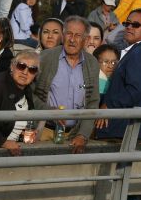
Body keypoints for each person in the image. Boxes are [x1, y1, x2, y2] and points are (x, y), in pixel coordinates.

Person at [32, 16, 99, 153]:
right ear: (63, 36)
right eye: (69, 33)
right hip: (44, 131)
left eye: (78, 35)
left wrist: (83, 135)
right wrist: (48, 111)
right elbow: (30, 93)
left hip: (75, 135)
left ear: (85, 40)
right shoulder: (45, 58)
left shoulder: (92, 63)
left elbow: (92, 102)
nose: (72, 39)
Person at [95, 9, 141, 141]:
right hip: (126, 128)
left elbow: (135, 90)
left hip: (125, 129)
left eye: (135, 25)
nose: (129, 27)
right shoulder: (138, 50)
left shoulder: (140, 53)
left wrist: (108, 105)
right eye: (127, 23)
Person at [0, 51, 40, 156]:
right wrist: (3, 142)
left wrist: (23, 133)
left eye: (32, 69)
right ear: (12, 66)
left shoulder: (27, 89)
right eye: (21, 66)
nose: (25, 72)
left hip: (15, 147)